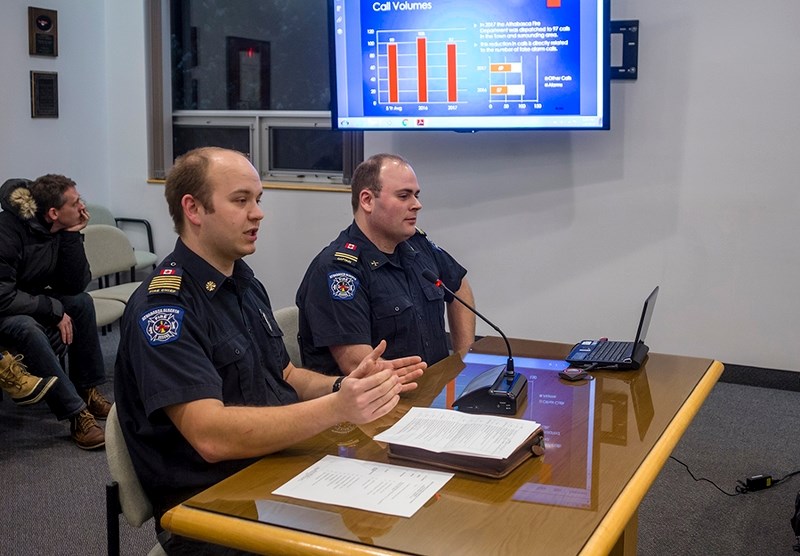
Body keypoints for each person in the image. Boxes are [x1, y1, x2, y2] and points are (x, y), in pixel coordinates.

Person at [114, 147, 426, 554]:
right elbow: (209, 436)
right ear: (193, 209)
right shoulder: (165, 310)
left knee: (406, 510)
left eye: (258, 200)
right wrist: (336, 409)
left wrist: (346, 386)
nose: (258, 213)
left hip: (276, 467)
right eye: (241, 200)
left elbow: (286, 376)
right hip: (213, 507)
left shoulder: (243, 282)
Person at [296, 153, 476, 376]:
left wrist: (462, 361)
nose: (417, 205)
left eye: (416, 195)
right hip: (379, 402)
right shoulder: (339, 270)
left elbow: (458, 286)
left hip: (432, 391)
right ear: (367, 200)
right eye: (404, 196)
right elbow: (359, 367)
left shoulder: (418, 247)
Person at [0, 175, 110, 449]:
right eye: (76, 203)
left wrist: (72, 236)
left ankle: (87, 391)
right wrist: (53, 310)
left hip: (27, 298)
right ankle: (76, 414)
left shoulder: (56, 229)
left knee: (81, 302)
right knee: (27, 327)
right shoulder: (7, 232)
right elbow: (2, 296)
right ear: (53, 212)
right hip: (4, 308)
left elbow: (73, 284)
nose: (83, 207)